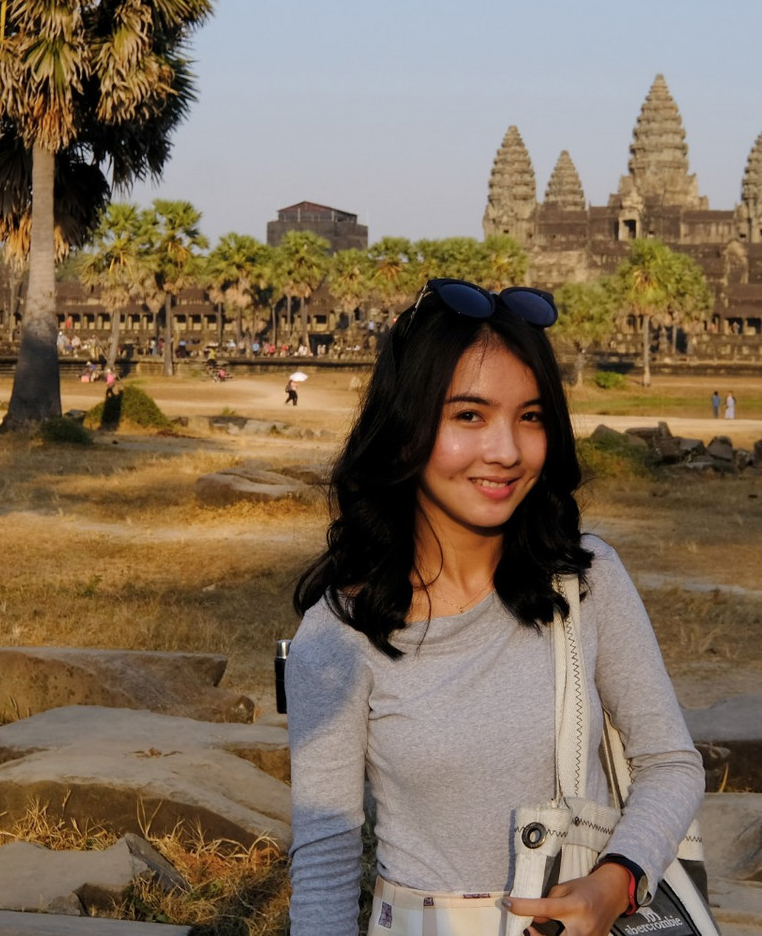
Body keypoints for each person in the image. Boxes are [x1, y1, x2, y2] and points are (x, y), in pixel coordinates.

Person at [286, 278, 704, 936]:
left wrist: (616, 881)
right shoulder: (338, 636)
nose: (506, 451)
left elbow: (670, 762)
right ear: (404, 428)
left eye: (530, 417)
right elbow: (325, 859)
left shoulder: (584, 581)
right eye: (469, 416)